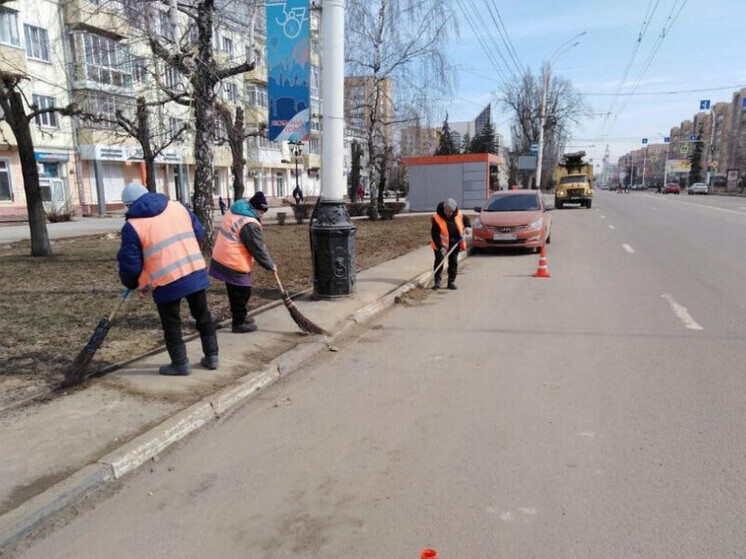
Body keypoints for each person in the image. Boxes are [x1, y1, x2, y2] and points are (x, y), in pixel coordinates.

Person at [117, 182, 218, 376]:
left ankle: (180, 364)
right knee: (202, 315)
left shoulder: (132, 226)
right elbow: (200, 232)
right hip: (193, 270)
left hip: (166, 281)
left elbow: (131, 263)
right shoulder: (178, 207)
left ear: (129, 205)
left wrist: (131, 282)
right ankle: (212, 356)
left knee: (172, 323)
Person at [209, 192, 276, 333]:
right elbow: (257, 249)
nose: (262, 215)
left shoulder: (237, 209)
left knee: (235, 291)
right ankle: (239, 323)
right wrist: (270, 265)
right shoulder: (249, 224)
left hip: (222, 255)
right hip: (232, 260)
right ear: (256, 209)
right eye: (261, 212)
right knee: (242, 292)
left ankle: (241, 316)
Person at [430, 197, 471, 290]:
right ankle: (437, 282)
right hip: (441, 245)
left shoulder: (458, 214)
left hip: (455, 243)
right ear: (444, 208)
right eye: (446, 210)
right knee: (439, 262)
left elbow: (466, 219)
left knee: (453, 263)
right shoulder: (437, 218)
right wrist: (441, 248)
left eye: (450, 211)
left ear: (454, 210)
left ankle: (451, 281)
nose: (448, 213)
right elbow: (434, 235)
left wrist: (468, 227)